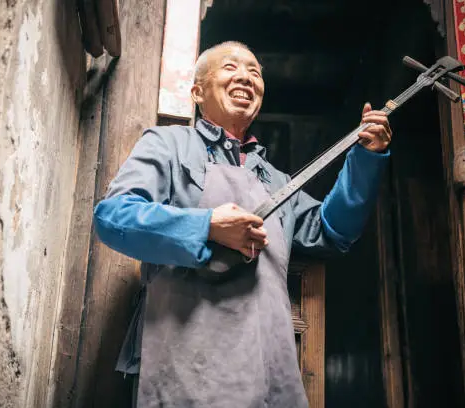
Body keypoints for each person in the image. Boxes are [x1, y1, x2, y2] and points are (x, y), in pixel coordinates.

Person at [93, 41, 392, 408]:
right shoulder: (169, 144)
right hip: (188, 363)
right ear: (197, 91)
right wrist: (207, 227)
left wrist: (366, 160)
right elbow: (113, 217)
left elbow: (331, 231)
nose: (246, 78)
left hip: (269, 368)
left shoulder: (276, 179)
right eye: (230, 67)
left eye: (254, 72)